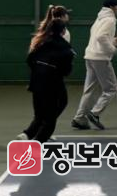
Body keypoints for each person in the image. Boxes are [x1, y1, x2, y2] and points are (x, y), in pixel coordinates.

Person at [18, 12, 75, 142]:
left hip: (36, 82)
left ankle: (27, 135)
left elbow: (30, 60)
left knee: (39, 114)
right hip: (52, 84)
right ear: (63, 31)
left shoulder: (40, 42)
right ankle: (37, 141)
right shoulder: (65, 48)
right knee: (50, 119)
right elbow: (66, 71)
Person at [71, 0, 117, 130]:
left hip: (90, 56)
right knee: (111, 89)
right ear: (112, 7)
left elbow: (99, 37)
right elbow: (101, 37)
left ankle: (79, 118)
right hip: (100, 58)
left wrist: (113, 41)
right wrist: (113, 49)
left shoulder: (99, 18)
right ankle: (95, 113)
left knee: (89, 90)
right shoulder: (110, 19)